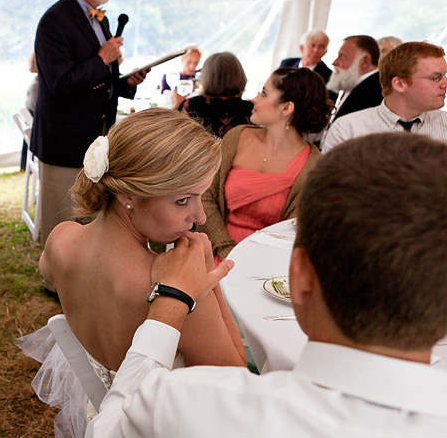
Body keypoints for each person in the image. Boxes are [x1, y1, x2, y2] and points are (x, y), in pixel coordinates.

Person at [87, 132, 447, 436]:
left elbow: (105, 429)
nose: (197, 215)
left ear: (300, 276)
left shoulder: (187, 405)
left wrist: (171, 300)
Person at [19, 109, 246, 438]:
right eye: (183, 200)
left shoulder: (61, 240)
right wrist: (207, 276)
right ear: (127, 195)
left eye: (201, 197)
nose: (198, 216)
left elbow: (48, 272)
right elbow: (237, 382)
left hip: (98, 406)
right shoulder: (174, 294)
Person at [31, 0, 148, 244]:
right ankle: (56, 283)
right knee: (63, 220)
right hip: (64, 140)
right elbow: (60, 84)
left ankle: (85, 280)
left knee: (90, 219)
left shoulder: (100, 19)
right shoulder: (54, 21)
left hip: (97, 137)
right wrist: (102, 59)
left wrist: (126, 82)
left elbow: (99, 79)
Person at [199, 67, 330, 261]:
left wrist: (248, 261)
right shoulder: (237, 136)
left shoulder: (312, 166)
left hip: (266, 264)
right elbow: (205, 195)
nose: (254, 99)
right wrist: (225, 248)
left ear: (286, 108)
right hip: (214, 250)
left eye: (264, 93)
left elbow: (292, 233)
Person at [322, 41, 447, 152]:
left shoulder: (444, 124)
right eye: (436, 77)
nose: (445, 83)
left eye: (445, 75)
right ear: (399, 84)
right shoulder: (347, 129)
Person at [174, 51, 253, 137]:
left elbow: (174, 134)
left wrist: (176, 105)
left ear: (206, 76)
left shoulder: (191, 105)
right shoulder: (250, 109)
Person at [328, 35, 382, 121]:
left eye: (342, 56)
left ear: (364, 61)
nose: (334, 62)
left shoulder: (374, 93)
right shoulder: (354, 85)